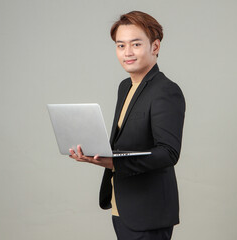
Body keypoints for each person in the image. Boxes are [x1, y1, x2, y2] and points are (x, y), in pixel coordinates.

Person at [69, 11, 185, 240]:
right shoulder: (125, 86)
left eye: (136, 44)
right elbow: (125, 142)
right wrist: (95, 155)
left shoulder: (166, 91)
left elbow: (168, 153)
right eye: (120, 46)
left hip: (148, 211)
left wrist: (114, 162)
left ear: (155, 46)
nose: (127, 53)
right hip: (122, 204)